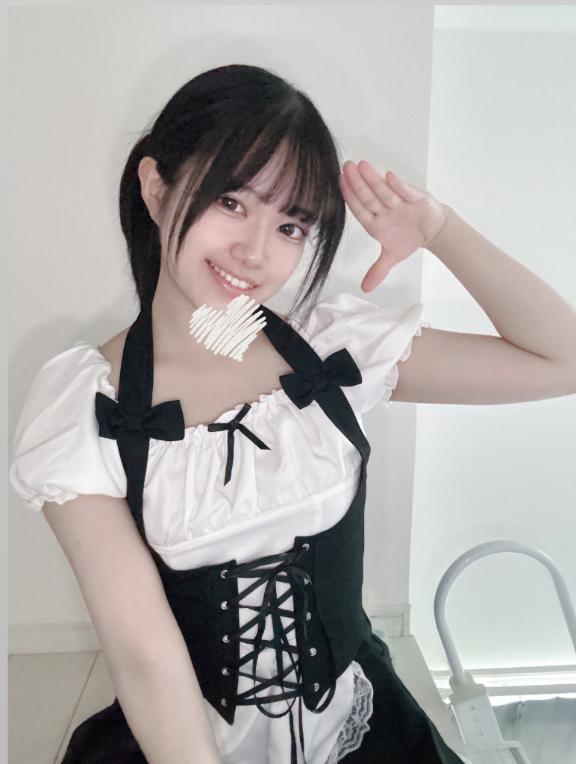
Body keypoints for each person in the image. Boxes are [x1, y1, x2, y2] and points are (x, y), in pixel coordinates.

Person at [10, 63, 576, 764]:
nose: (255, 251)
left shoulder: (335, 350)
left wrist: (440, 229)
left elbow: (561, 359)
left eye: (290, 225)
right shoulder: (85, 408)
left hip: (364, 729)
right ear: (156, 188)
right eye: (230, 202)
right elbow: (144, 658)